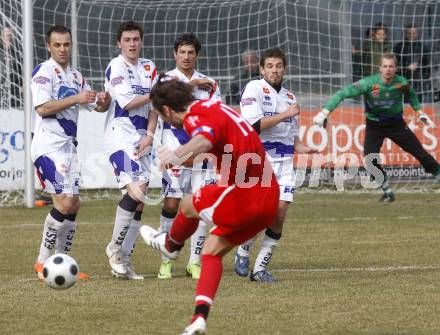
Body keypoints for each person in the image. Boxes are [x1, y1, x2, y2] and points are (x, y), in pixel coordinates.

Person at [140, 75, 279, 335]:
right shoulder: (214, 108)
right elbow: (207, 150)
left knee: (188, 203)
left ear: (168, 110)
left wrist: (175, 153)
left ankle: (169, 246)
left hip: (246, 193)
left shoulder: (195, 116)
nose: (162, 119)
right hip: (268, 198)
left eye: (160, 115)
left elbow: (203, 141)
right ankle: (198, 320)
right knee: (211, 252)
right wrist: (180, 159)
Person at [31, 25, 111, 280]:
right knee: (65, 201)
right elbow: (42, 108)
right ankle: (42, 262)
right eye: (57, 45)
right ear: (48, 46)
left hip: (67, 148)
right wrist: (76, 99)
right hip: (47, 147)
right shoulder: (43, 72)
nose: (62, 49)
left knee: (73, 203)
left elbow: (92, 106)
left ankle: (61, 260)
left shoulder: (76, 76)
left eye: (66, 44)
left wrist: (102, 103)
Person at [234, 47, 316, 282]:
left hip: (285, 163)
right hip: (260, 160)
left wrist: (305, 148)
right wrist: (284, 114)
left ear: (284, 70)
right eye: (269, 66)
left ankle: (259, 269)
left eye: (278, 66)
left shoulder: (290, 97)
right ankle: (243, 248)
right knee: (261, 214)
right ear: (262, 69)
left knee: (279, 214)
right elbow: (253, 126)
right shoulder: (254, 88)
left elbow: (292, 138)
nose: (274, 70)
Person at [313, 53, 440, 202]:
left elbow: (411, 96)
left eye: (391, 66)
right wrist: (324, 112)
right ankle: (387, 192)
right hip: (375, 126)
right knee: (369, 160)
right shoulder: (368, 83)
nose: (388, 69)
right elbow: (342, 94)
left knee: (420, 153)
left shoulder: (402, 83)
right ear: (380, 68)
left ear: (396, 68)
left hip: (396, 124)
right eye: (385, 66)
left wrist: (419, 112)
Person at [158, 33, 221, 280]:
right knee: (172, 204)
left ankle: (194, 261)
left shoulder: (211, 83)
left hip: (202, 152)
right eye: (182, 52)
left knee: (202, 205)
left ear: (197, 55)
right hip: (174, 149)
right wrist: (190, 88)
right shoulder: (165, 79)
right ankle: (166, 260)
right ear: (175, 54)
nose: (186, 57)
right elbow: (162, 103)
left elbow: (216, 115)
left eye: (190, 52)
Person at [103, 21, 158, 280]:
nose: (132, 44)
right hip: (120, 136)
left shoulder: (149, 67)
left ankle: (123, 261)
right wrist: (157, 92)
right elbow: (128, 102)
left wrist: (149, 135)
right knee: (139, 189)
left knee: (139, 204)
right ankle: (114, 248)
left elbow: (155, 107)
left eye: (136, 39)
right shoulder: (116, 66)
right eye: (127, 40)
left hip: (142, 139)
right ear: (119, 43)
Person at [394, 24, 431, 102]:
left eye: (413, 33)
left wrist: (424, 80)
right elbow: (394, 65)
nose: (411, 35)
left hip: (417, 83)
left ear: (417, 33)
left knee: (416, 106)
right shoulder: (398, 47)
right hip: (402, 81)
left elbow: (427, 66)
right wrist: (406, 68)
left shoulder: (422, 47)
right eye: (409, 33)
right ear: (405, 33)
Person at [0, 26, 22, 108]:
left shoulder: (17, 53)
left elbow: (20, 69)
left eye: (10, 35)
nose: (9, 38)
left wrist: (22, 84)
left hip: (13, 91)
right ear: (1, 37)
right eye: (7, 35)